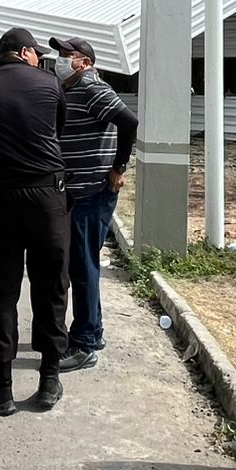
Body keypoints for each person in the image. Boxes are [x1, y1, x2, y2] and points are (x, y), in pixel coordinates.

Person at [0, 27, 69, 416]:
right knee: (51, 287)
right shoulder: (50, 83)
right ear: (25, 53)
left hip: (0, 198)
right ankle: (48, 383)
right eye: (37, 53)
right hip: (46, 197)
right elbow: (56, 131)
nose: (39, 59)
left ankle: (1, 390)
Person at [48, 35, 137, 372]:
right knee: (82, 264)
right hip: (78, 190)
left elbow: (128, 121)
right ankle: (92, 331)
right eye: (59, 54)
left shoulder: (90, 86)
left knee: (82, 267)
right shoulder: (70, 89)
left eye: (67, 55)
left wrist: (118, 167)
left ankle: (84, 344)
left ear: (84, 62)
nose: (60, 59)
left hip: (91, 191)